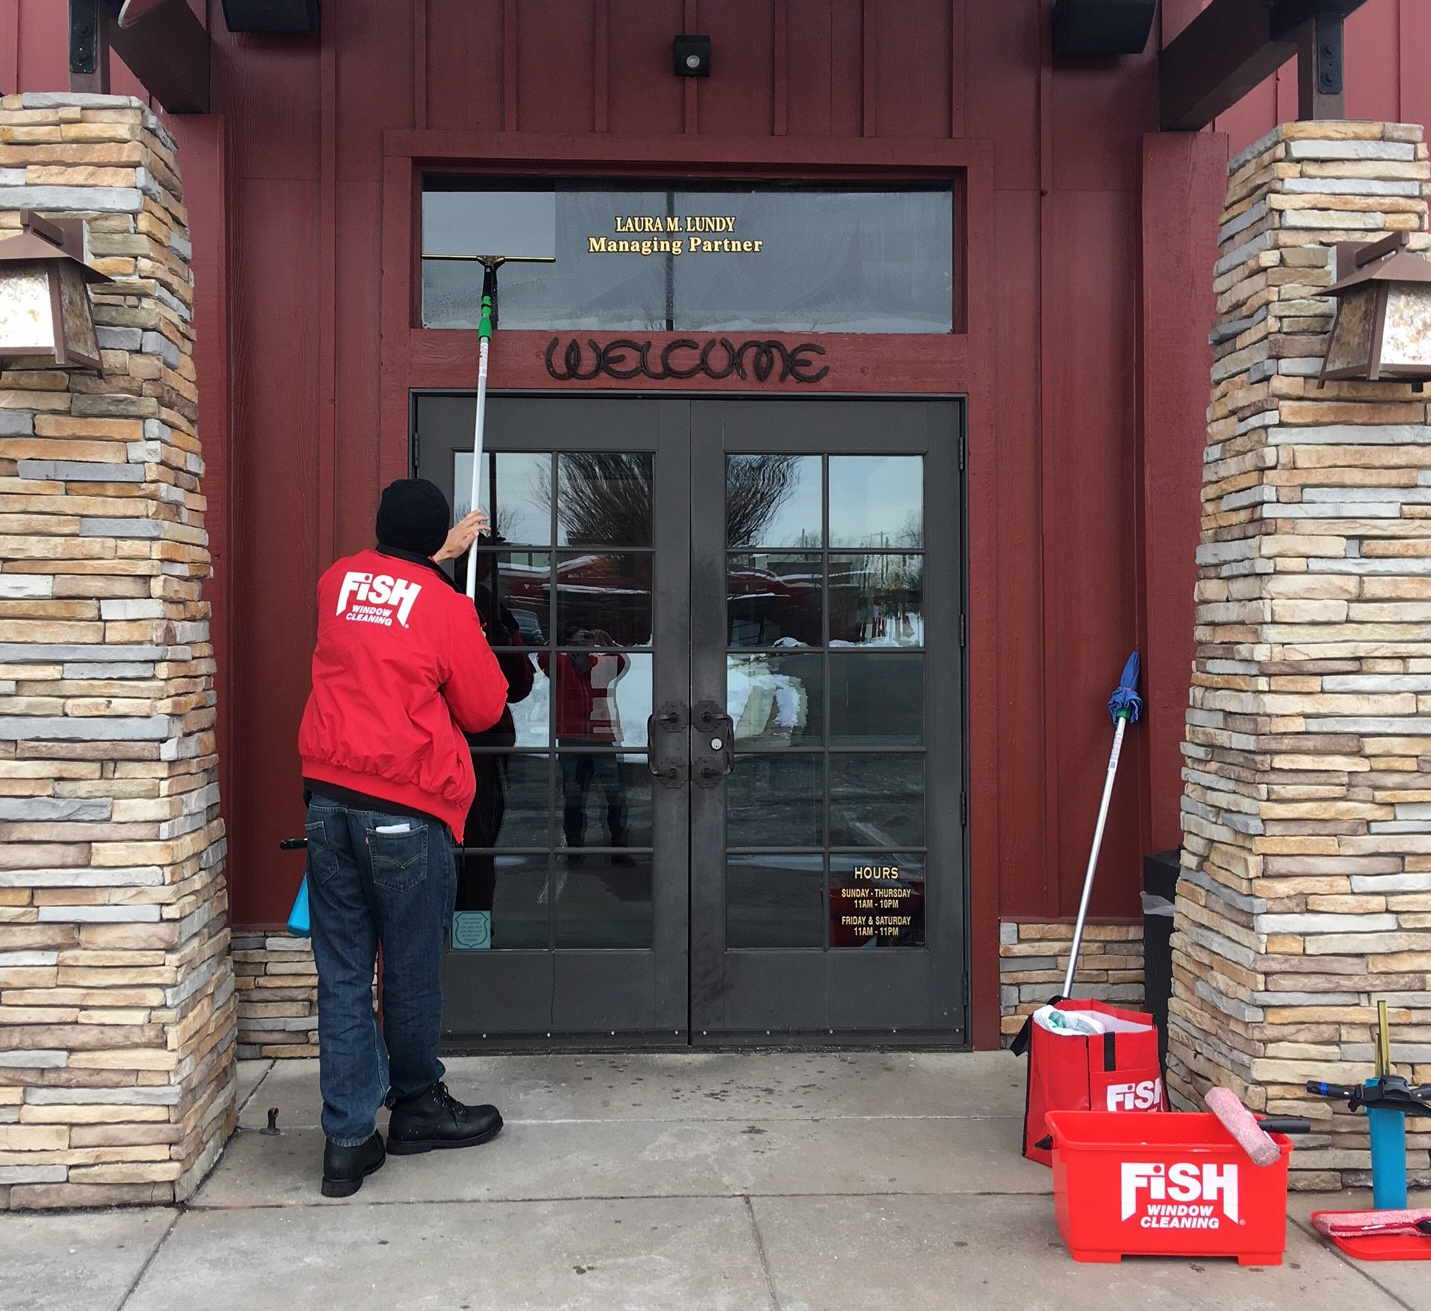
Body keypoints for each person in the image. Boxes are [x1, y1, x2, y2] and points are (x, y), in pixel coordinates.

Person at [297, 477, 509, 1198]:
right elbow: (483, 708)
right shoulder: (446, 608)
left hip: (327, 805)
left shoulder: (336, 582)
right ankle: (416, 1107)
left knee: (346, 974)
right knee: (410, 971)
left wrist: (433, 561)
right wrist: (457, 601)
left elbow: (389, 595)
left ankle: (347, 1143)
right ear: (439, 537)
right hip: (404, 811)